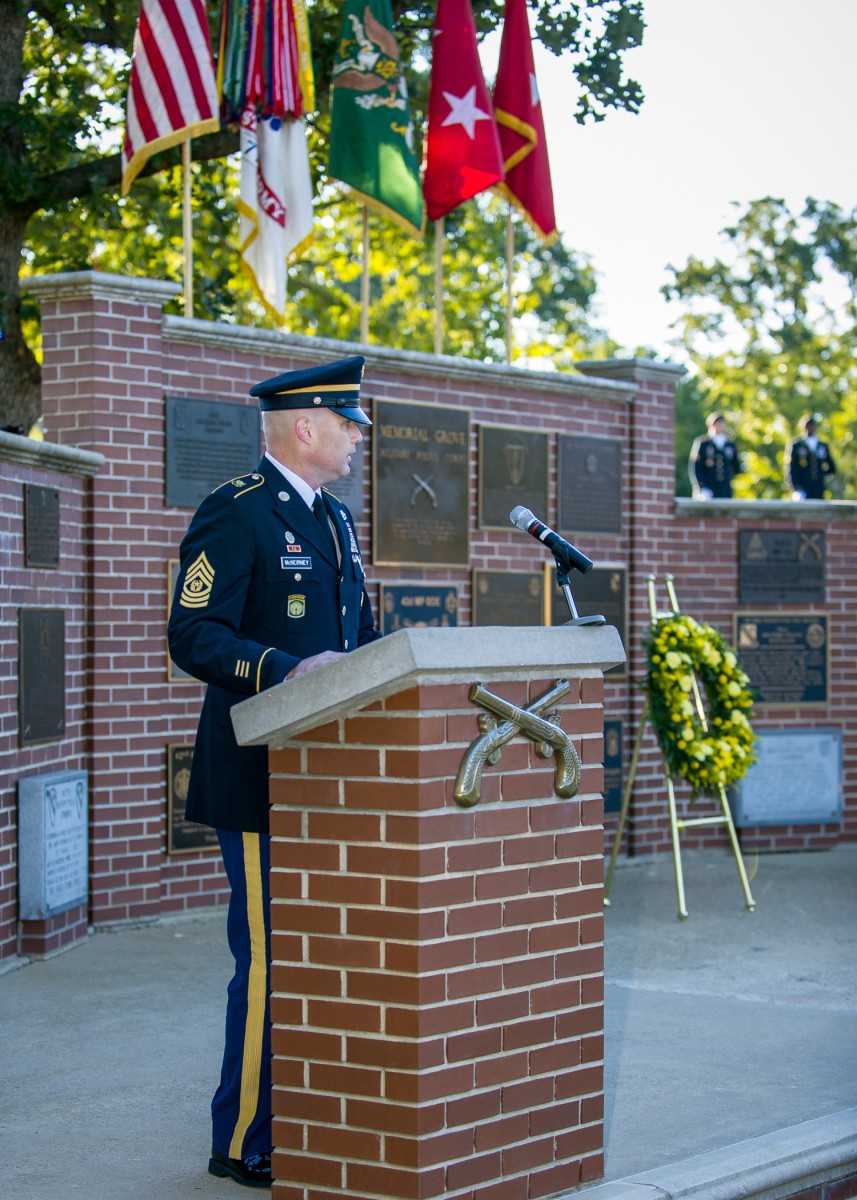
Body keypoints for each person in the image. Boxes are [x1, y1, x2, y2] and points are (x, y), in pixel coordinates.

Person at [168, 355, 381, 1189]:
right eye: (348, 424)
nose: (358, 438)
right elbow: (194, 637)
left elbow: (360, 642)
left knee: (323, 950)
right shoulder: (236, 513)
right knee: (267, 958)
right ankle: (245, 1138)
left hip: (333, 773)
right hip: (260, 773)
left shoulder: (335, 522)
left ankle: (316, 1109)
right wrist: (282, 670)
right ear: (304, 427)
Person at [689, 412, 741, 499]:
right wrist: (701, 486)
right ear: (711, 425)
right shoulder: (703, 443)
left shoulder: (730, 444)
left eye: (722, 423)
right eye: (717, 423)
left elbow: (735, 467)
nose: (720, 425)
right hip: (707, 489)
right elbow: (695, 467)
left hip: (724, 489)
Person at [785, 412, 836, 499]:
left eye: (812, 425)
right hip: (802, 488)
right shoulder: (797, 445)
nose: (810, 428)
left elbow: (831, 467)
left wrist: (821, 473)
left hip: (818, 488)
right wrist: (796, 487)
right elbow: (791, 468)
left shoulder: (822, 446)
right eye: (808, 426)